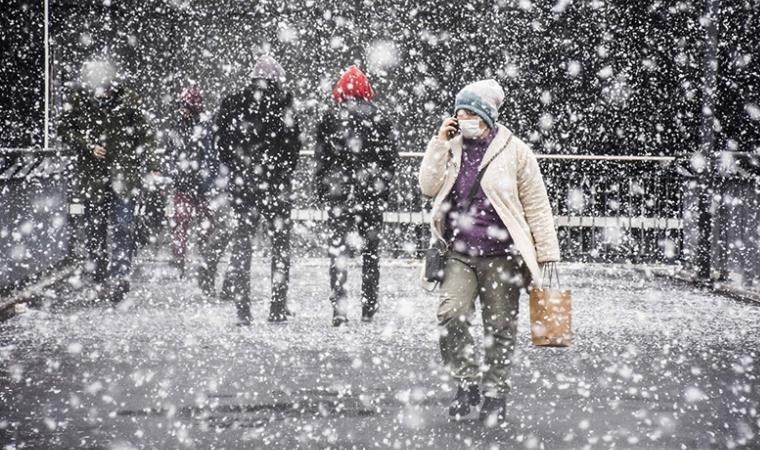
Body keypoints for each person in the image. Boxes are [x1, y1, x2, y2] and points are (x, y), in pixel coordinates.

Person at [418, 79, 560, 424]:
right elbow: (427, 186)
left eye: (469, 113)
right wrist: (439, 142)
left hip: (502, 255)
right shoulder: (451, 147)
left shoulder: (515, 151)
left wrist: (547, 255)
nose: (463, 119)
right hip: (459, 252)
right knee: (450, 315)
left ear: (486, 115)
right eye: (459, 113)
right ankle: (467, 381)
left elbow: (537, 205)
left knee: (499, 327)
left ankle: (495, 394)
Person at [59, 59, 156, 303]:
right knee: (95, 230)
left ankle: (119, 277)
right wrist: (88, 145)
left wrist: (137, 160)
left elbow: (146, 135)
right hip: (94, 177)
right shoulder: (80, 101)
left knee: (122, 228)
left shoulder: (128, 101)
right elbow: (64, 129)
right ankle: (101, 278)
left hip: (122, 176)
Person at [215, 56, 301, 324]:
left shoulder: (232, 103)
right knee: (280, 246)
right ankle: (277, 306)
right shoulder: (284, 105)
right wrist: (279, 171)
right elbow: (293, 147)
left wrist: (239, 169)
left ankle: (243, 309)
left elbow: (222, 144)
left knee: (242, 243)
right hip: (275, 186)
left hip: (243, 185)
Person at [314, 65, 399, 326]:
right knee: (371, 254)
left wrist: (322, 188)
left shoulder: (330, 117)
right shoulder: (380, 118)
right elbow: (389, 160)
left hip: (340, 194)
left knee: (338, 252)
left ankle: (339, 309)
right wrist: (382, 187)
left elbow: (322, 158)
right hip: (370, 194)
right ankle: (369, 307)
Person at [163, 85, 221, 283]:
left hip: (194, 184)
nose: (183, 109)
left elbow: (175, 153)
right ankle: (191, 261)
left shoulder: (194, 125)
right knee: (185, 224)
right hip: (190, 183)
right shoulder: (195, 125)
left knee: (189, 224)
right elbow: (173, 152)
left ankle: (193, 261)